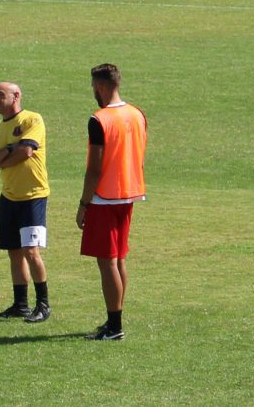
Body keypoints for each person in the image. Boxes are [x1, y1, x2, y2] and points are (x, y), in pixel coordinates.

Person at [77, 64, 147, 340]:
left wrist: (84, 204)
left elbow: (94, 169)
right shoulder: (137, 114)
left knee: (107, 263)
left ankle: (115, 326)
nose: (94, 92)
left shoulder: (99, 120)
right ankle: (114, 319)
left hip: (105, 196)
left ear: (102, 87)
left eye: (94, 87)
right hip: (130, 192)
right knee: (119, 259)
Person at [0, 82, 51, 323]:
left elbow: (27, 152)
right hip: (9, 196)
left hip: (33, 196)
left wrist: (3, 157)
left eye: (0, 96)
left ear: (16, 96)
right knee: (13, 251)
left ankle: (43, 304)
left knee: (31, 251)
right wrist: (11, 151)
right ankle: (20, 305)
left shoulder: (32, 120)